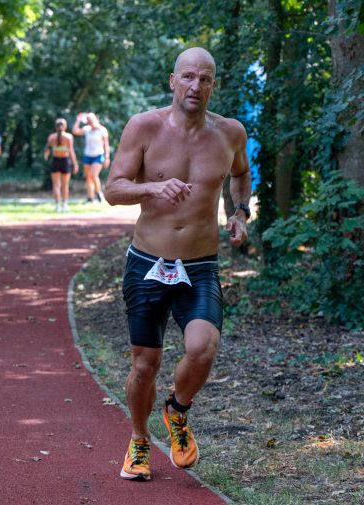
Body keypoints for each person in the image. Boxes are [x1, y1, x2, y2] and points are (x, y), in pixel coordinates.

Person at [104, 47, 251, 481]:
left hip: (200, 264)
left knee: (203, 347)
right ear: (172, 81)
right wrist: (152, 189)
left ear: (213, 85)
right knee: (144, 364)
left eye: (204, 79)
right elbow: (113, 189)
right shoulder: (145, 127)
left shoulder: (230, 133)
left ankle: (177, 410)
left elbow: (241, 174)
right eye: (188, 76)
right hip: (148, 261)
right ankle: (139, 439)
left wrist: (240, 214)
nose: (195, 86)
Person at [72, 111, 109, 203]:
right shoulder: (87, 129)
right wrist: (78, 120)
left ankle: (99, 194)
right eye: (88, 120)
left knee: (93, 175)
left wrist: (107, 157)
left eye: (91, 119)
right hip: (87, 155)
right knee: (88, 177)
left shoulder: (102, 130)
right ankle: (90, 197)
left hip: (98, 155)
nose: (90, 121)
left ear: (95, 119)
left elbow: (106, 144)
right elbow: (75, 131)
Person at [43, 117, 78, 212]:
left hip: (55, 161)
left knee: (56, 185)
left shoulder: (51, 137)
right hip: (65, 161)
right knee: (65, 185)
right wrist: (75, 164)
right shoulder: (68, 137)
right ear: (65, 126)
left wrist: (46, 156)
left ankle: (57, 205)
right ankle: (65, 205)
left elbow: (47, 150)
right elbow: (71, 152)